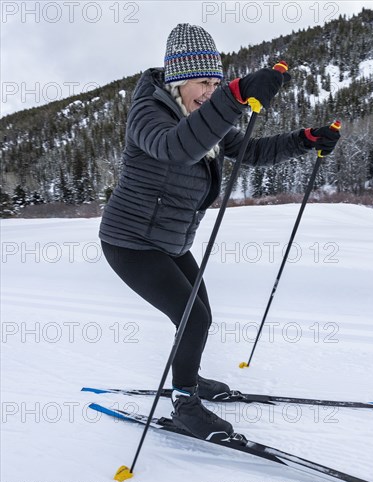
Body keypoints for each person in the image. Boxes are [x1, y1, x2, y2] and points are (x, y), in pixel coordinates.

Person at [99, 23, 340, 439]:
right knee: (191, 317)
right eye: (201, 83)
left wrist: (305, 139)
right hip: (131, 242)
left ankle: (189, 378)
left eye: (215, 82)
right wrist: (233, 95)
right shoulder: (149, 114)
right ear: (177, 79)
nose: (209, 91)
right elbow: (177, 147)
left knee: (201, 317)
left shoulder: (200, 118)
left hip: (171, 241)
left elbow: (252, 150)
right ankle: (185, 402)